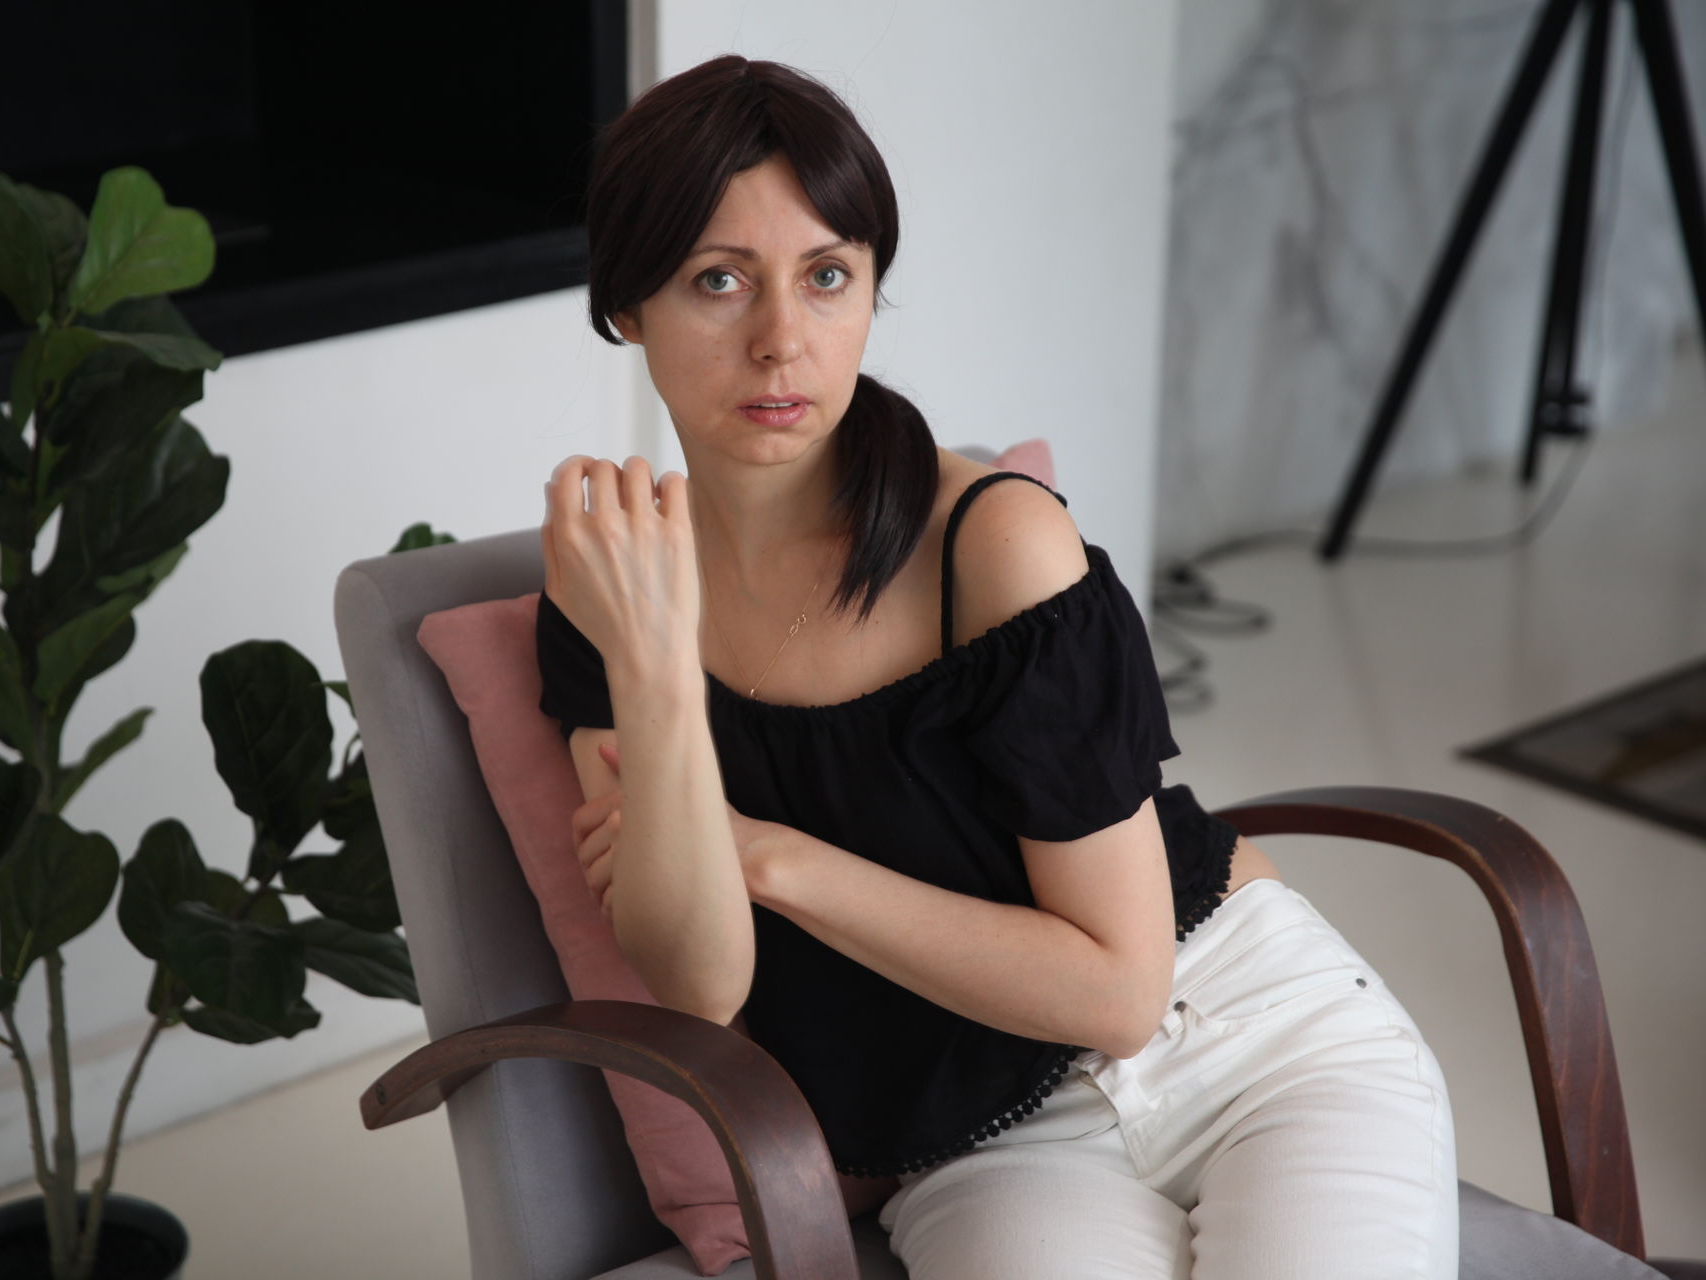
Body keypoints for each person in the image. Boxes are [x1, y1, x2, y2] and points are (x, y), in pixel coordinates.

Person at [535, 54, 1458, 1279]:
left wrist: (762, 853)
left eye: (827, 276)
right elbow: (702, 981)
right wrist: (655, 663)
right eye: (719, 279)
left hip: (1247, 1028)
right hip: (988, 1140)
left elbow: (1120, 991)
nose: (781, 340)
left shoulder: (993, 542)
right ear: (626, 305)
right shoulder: (612, 586)